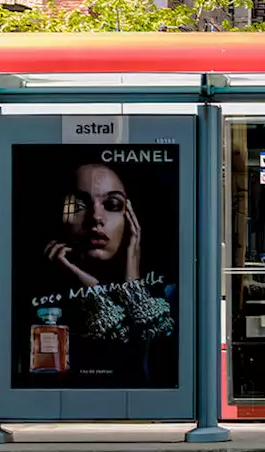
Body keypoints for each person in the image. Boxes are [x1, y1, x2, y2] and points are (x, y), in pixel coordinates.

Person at [36, 161, 176, 386]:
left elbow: (154, 368)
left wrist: (131, 277)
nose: (95, 217)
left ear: (131, 220)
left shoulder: (168, 292)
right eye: (78, 205)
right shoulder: (35, 292)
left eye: (112, 204)